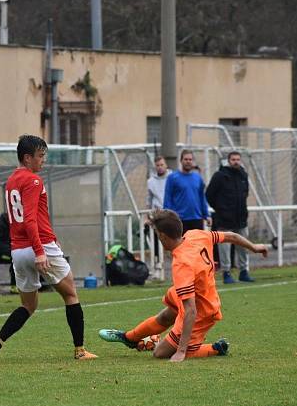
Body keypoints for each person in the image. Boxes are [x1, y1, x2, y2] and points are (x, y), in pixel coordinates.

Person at [0, 134, 97, 362]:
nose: (43, 160)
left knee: (28, 305)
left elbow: (28, 218)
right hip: (37, 246)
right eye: (40, 156)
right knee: (71, 294)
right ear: (27, 157)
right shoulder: (33, 181)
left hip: (19, 251)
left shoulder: (12, 180)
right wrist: (41, 250)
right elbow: (30, 219)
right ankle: (80, 350)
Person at [99, 209, 267, 361]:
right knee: (165, 316)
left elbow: (191, 311)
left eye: (157, 235)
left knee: (159, 353)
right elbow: (231, 235)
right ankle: (130, 338)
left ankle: (215, 348)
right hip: (194, 294)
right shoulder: (196, 235)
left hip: (202, 310)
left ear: (163, 237)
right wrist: (254, 247)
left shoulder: (182, 265)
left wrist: (180, 351)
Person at [206, 151, 253, 284]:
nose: (236, 162)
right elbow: (209, 195)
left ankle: (244, 271)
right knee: (225, 249)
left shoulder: (243, 175)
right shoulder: (220, 176)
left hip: (241, 219)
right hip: (224, 220)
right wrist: (220, 209)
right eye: (233, 159)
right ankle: (226, 272)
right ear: (228, 160)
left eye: (238, 159)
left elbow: (245, 194)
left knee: (243, 246)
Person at [163, 150, 209, 234]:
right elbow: (168, 198)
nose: (188, 161)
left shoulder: (198, 178)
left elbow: (202, 198)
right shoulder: (172, 178)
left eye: (190, 159)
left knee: (197, 246)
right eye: (186, 159)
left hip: (196, 219)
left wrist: (207, 215)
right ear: (181, 161)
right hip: (179, 220)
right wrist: (168, 217)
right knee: (181, 246)